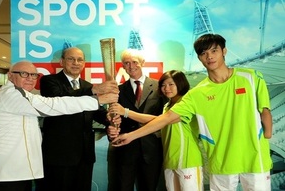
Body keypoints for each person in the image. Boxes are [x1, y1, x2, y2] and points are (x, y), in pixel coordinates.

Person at [112, 34, 273, 191]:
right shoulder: (197, 94)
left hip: (255, 158)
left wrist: (264, 138)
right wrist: (131, 136)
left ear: (224, 51)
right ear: (199, 58)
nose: (209, 56)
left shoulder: (251, 77)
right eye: (203, 53)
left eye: (214, 51)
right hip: (221, 161)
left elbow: (265, 111)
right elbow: (166, 118)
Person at [0, 61, 118, 191]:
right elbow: (54, 105)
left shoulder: (22, 95)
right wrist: (97, 100)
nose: (30, 78)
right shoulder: (10, 94)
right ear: (9, 76)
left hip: (17, 170)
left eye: (33, 75)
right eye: (24, 74)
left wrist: (108, 118)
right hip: (4, 171)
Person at [38, 47, 119, 191]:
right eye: (71, 59)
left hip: (84, 155)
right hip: (60, 155)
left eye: (80, 59)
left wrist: (108, 120)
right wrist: (94, 91)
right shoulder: (49, 81)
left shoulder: (87, 85)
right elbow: (61, 100)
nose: (76, 63)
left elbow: (96, 111)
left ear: (84, 63)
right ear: (62, 62)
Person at [109, 70, 204, 191]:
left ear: (180, 84)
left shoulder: (187, 102)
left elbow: (163, 120)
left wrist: (129, 125)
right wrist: (122, 115)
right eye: (163, 85)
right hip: (170, 161)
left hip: (188, 161)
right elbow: (157, 121)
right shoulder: (168, 106)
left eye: (171, 84)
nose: (166, 88)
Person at [107, 48, 167, 191]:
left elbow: (164, 119)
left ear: (143, 63)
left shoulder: (160, 87)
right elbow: (113, 119)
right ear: (122, 67)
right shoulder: (117, 91)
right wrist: (110, 129)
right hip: (125, 150)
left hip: (152, 150)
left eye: (134, 62)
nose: (131, 66)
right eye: (127, 63)